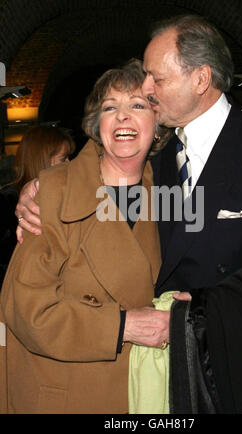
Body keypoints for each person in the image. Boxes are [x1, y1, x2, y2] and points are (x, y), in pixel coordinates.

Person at [13, 15, 242, 413]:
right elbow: (111, 149)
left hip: (232, 370)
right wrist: (45, 183)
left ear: (201, 80)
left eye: (155, 80)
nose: (146, 90)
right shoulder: (156, 160)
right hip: (151, 378)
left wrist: (207, 309)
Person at [0, 60, 170, 414]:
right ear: (98, 126)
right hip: (66, 393)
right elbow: (24, 309)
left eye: (137, 105)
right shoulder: (56, 191)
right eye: (111, 108)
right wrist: (122, 325)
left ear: (157, 125)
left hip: (140, 393)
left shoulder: (172, 191)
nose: (123, 116)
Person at [0, 125, 75, 287]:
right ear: (42, 159)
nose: (70, 164)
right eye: (63, 159)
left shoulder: (65, 194)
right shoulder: (9, 201)